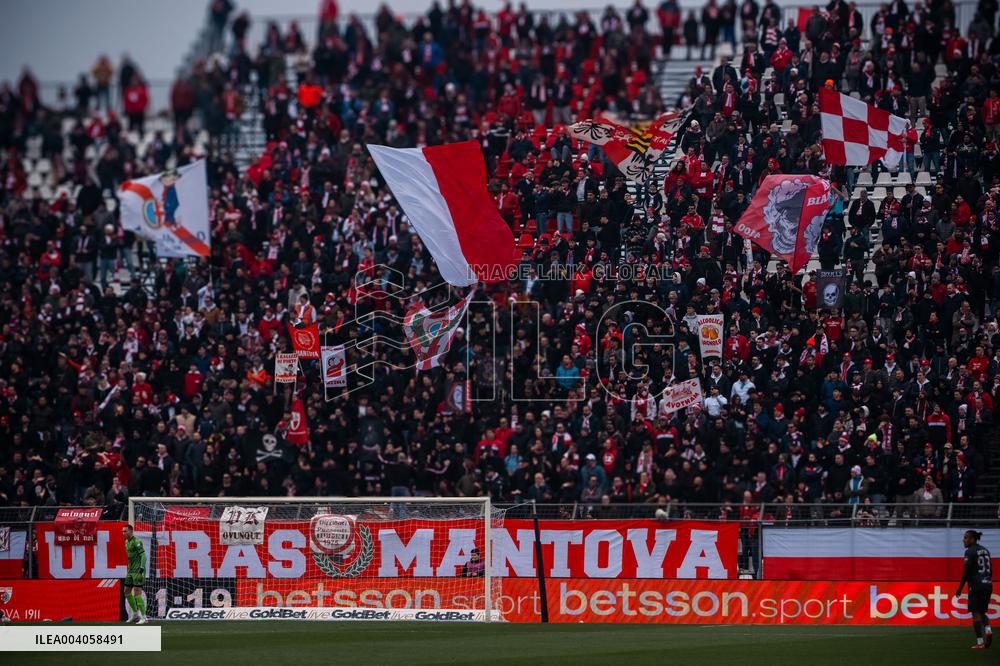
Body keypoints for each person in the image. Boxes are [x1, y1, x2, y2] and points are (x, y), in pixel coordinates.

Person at [956, 529, 992, 649]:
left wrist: (960, 588)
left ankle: (980, 642)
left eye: (966, 538)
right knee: (982, 612)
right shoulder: (986, 551)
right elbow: (990, 569)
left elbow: (967, 572)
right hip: (987, 584)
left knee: (975, 614)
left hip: (976, 586)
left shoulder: (970, 551)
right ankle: (987, 629)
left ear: (972, 539)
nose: (964, 540)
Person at [122, 524, 148, 624]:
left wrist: (141, 569)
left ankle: (144, 617)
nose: (123, 533)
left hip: (138, 570)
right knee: (127, 591)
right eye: (123, 531)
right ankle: (135, 614)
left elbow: (143, 556)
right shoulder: (126, 542)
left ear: (131, 531)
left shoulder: (137, 541)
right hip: (130, 570)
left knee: (137, 593)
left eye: (125, 531)